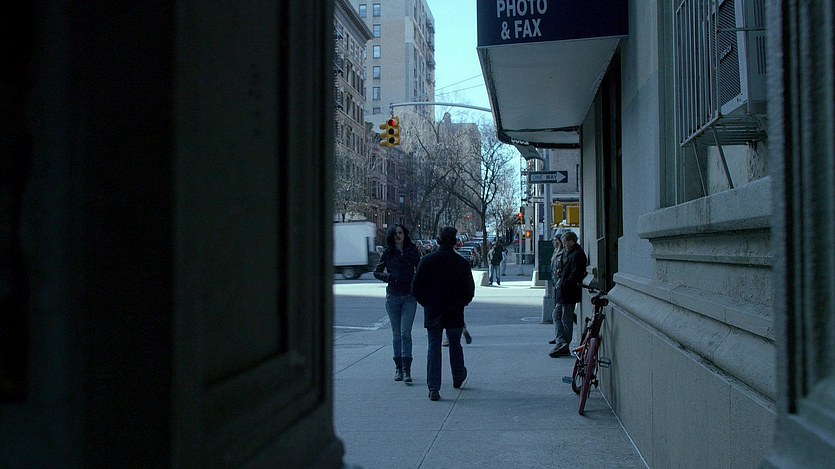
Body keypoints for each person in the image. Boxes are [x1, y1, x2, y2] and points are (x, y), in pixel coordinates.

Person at [412, 227, 476, 401]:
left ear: (438, 240)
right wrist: (462, 303)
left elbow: (416, 287)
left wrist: (426, 303)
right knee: (455, 344)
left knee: (434, 347)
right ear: (455, 241)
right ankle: (458, 376)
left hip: (433, 310)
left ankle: (434, 387)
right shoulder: (461, 263)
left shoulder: (427, 261)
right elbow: (469, 290)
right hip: (454, 310)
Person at [373, 224, 421, 382]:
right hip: (393, 296)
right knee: (396, 334)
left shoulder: (412, 251)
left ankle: (407, 370)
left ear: (404, 234)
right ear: (391, 237)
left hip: (409, 297)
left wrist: (417, 284)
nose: (398, 236)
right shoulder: (388, 253)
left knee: (405, 333)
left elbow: (421, 269)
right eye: (395, 234)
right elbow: (376, 272)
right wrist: (389, 277)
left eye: (400, 233)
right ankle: (398, 368)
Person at [549, 231, 587, 357]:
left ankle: (564, 344)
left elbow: (576, 274)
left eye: (564, 241)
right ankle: (561, 342)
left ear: (571, 241)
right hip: (564, 290)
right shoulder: (571, 253)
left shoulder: (577, 254)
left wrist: (565, 282)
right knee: (556, 315)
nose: (563, 244)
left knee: (566, 318)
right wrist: (562, 274)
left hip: (568, 291)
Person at [547, 236, 566, 345]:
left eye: (555, 240)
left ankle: (561, 339)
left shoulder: (563, 253)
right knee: (557, 314)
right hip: (556, 285)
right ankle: (559, 336)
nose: (553, 242)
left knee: (558, 315)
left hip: (561, 285)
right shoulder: (555, 253)